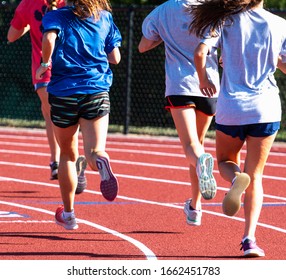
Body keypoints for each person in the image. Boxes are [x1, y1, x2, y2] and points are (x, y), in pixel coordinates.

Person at [190, 0, 286, 257]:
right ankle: (249, 240)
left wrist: (203, 78)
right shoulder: (279, 25)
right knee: (256, 176)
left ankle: (234, 180)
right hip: (266, 108)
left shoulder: (224, 20)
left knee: (224, 160)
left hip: (232, 107)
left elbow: (200, 53)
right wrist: (271, 59)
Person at [36, 0, 122, 230]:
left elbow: (49, 38)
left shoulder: (56, 16)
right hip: (95, 90)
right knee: (94, 151)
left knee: (67, 155)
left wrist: (45, 63)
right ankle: (100, 161)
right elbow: (116, 57)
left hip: (63, 92)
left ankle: (69, 214)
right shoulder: (104, 17)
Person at [138, 0, 220, 227]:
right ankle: (195, 208)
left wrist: (166, 36)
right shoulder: (212, 7)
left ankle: (200, 176)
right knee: (199, 145)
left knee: (191, 148)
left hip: (180, 85)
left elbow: (143, 46)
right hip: (210, 85)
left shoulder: (163, 10)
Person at [7, 0, 88, 194]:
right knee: (65, 115)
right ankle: (68, 159)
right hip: (70, 69)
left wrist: (28, 26)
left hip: (43, 70)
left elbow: (11, 36)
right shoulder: (71, 3)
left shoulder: (27, 4)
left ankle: (57, 160)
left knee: (53, 116)